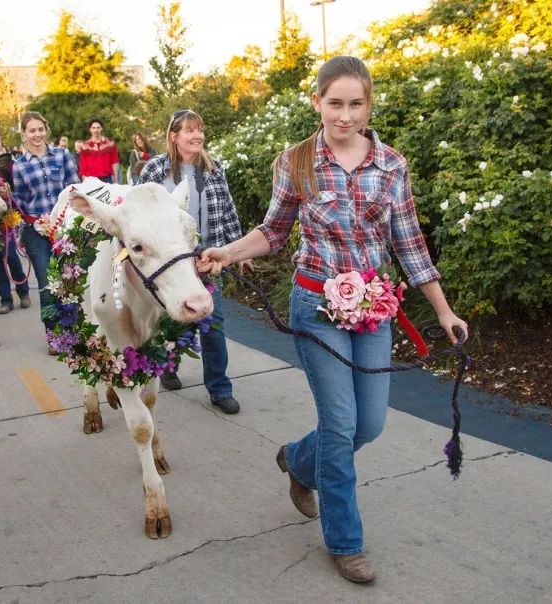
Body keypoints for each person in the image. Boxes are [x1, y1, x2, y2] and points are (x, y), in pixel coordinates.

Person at [197, 56, 469, 584]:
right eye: (335, 103)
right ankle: (346, 542)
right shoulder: (296, 162)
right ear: (317, 101)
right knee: (341, 425)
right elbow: (273, 232)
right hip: (316, 307)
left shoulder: (391, 165)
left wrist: (444, 310)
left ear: (369, 105)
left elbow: (409, 245)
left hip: (373, 309)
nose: (345, 116)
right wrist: (227, 252)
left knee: (370, 423)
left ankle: (299, 461)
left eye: (356, 104)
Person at [138, 109, 246, 414]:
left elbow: (227, 210)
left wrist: (235, 252)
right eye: (189, 131)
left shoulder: (213, 168)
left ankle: (220, 388)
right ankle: (169, 365)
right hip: (171, 263)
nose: (197, 135)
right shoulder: (155, 170)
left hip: (208, 258)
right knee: (174, 321)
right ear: (174, 136)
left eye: (200, 130)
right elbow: (138, 212)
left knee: (213, 324)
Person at [12, 112, 78, 349]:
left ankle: (71, 329)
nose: (37, 134)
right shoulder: (19, 165)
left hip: (65, 228)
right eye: (32, 130)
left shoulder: (62, 155)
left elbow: (75, 186)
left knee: (69, 279)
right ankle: (53, 334)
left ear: (46, 130)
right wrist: (24, 223)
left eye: (40, 129)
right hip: (35, 231)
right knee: (47, 281)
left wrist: (71, 217)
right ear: (24, 134)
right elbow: (19, 200)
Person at [0, 130, 30, 315]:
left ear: (1, 143)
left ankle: (23, 291)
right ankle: (5, 299)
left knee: (10, 255)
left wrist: (8, 192)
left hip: (6, 214)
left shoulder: (9, 164)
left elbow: (17, 188)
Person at [77, 117, 119, 183]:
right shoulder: (85, 146)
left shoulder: (110, 144)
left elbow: (114, 162)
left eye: (98, 127)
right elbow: (83, 165)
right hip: (90, 179)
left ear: (101, 128)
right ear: (90, 129)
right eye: (93, 128)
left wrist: (116, 180)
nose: (96, 130)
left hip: (106, 178)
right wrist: (84, 181)